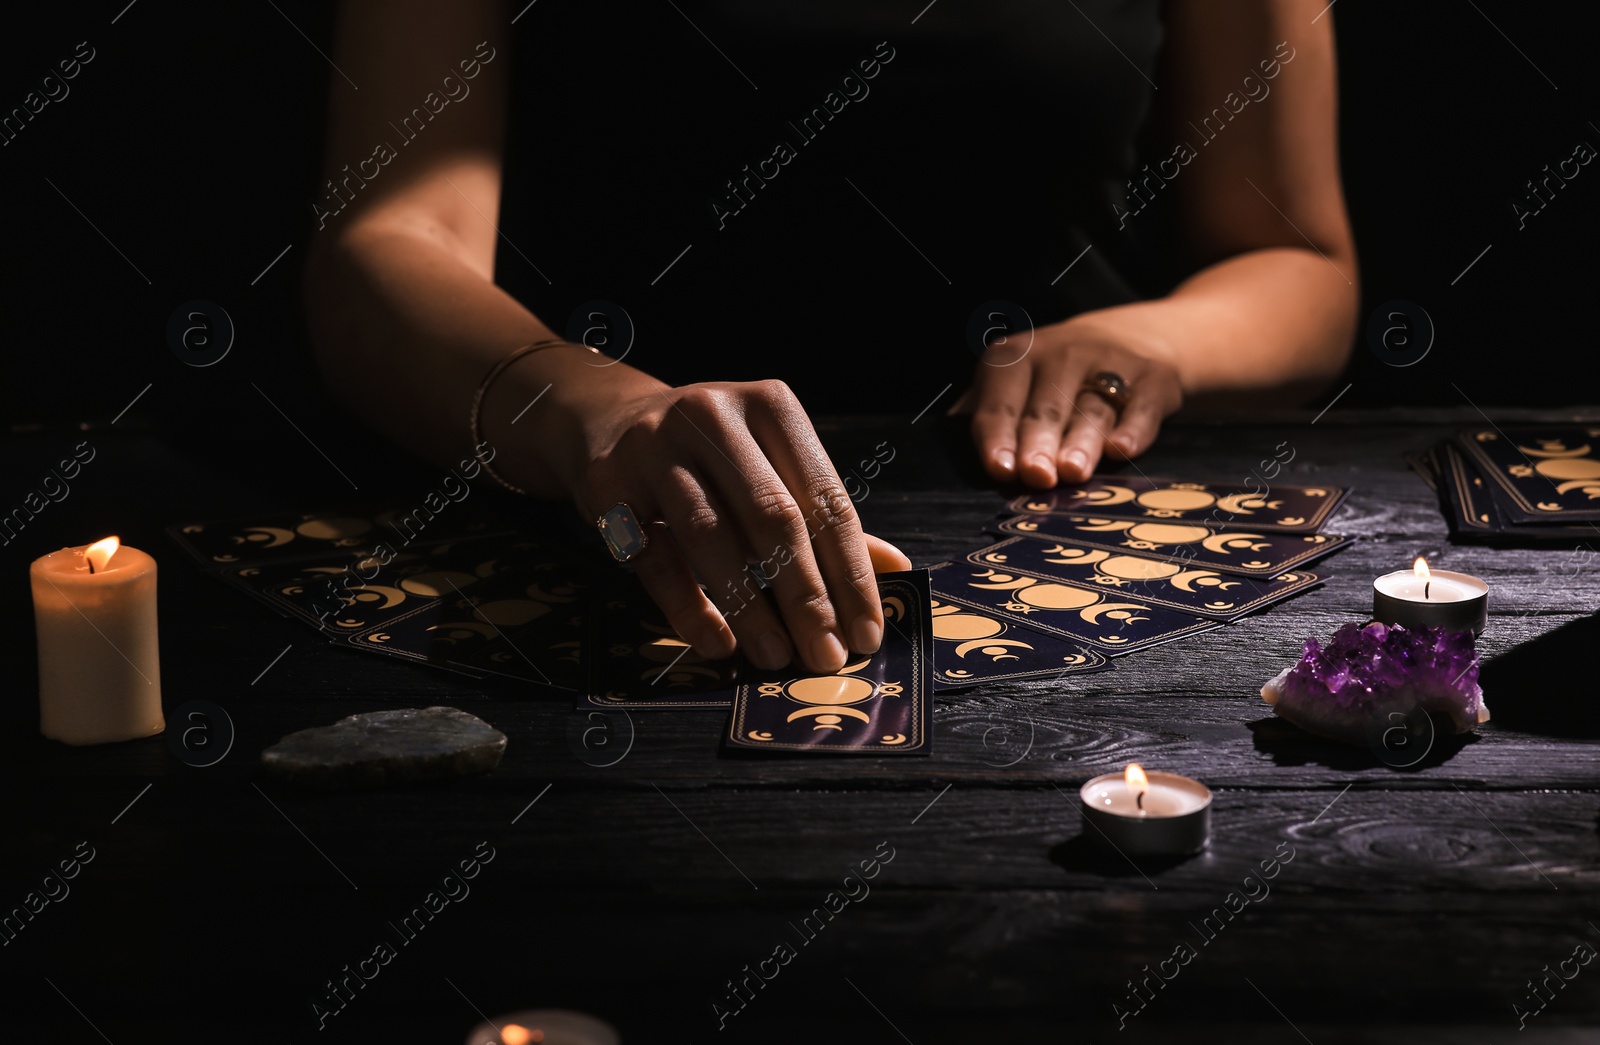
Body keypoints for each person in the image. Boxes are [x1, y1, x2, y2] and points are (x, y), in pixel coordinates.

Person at [305, 0, 1357, 678]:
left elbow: (1299, 262)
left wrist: (1158, 340)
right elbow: (386, 245)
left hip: (1073, 546)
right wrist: (585, 406)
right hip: (597, 550)